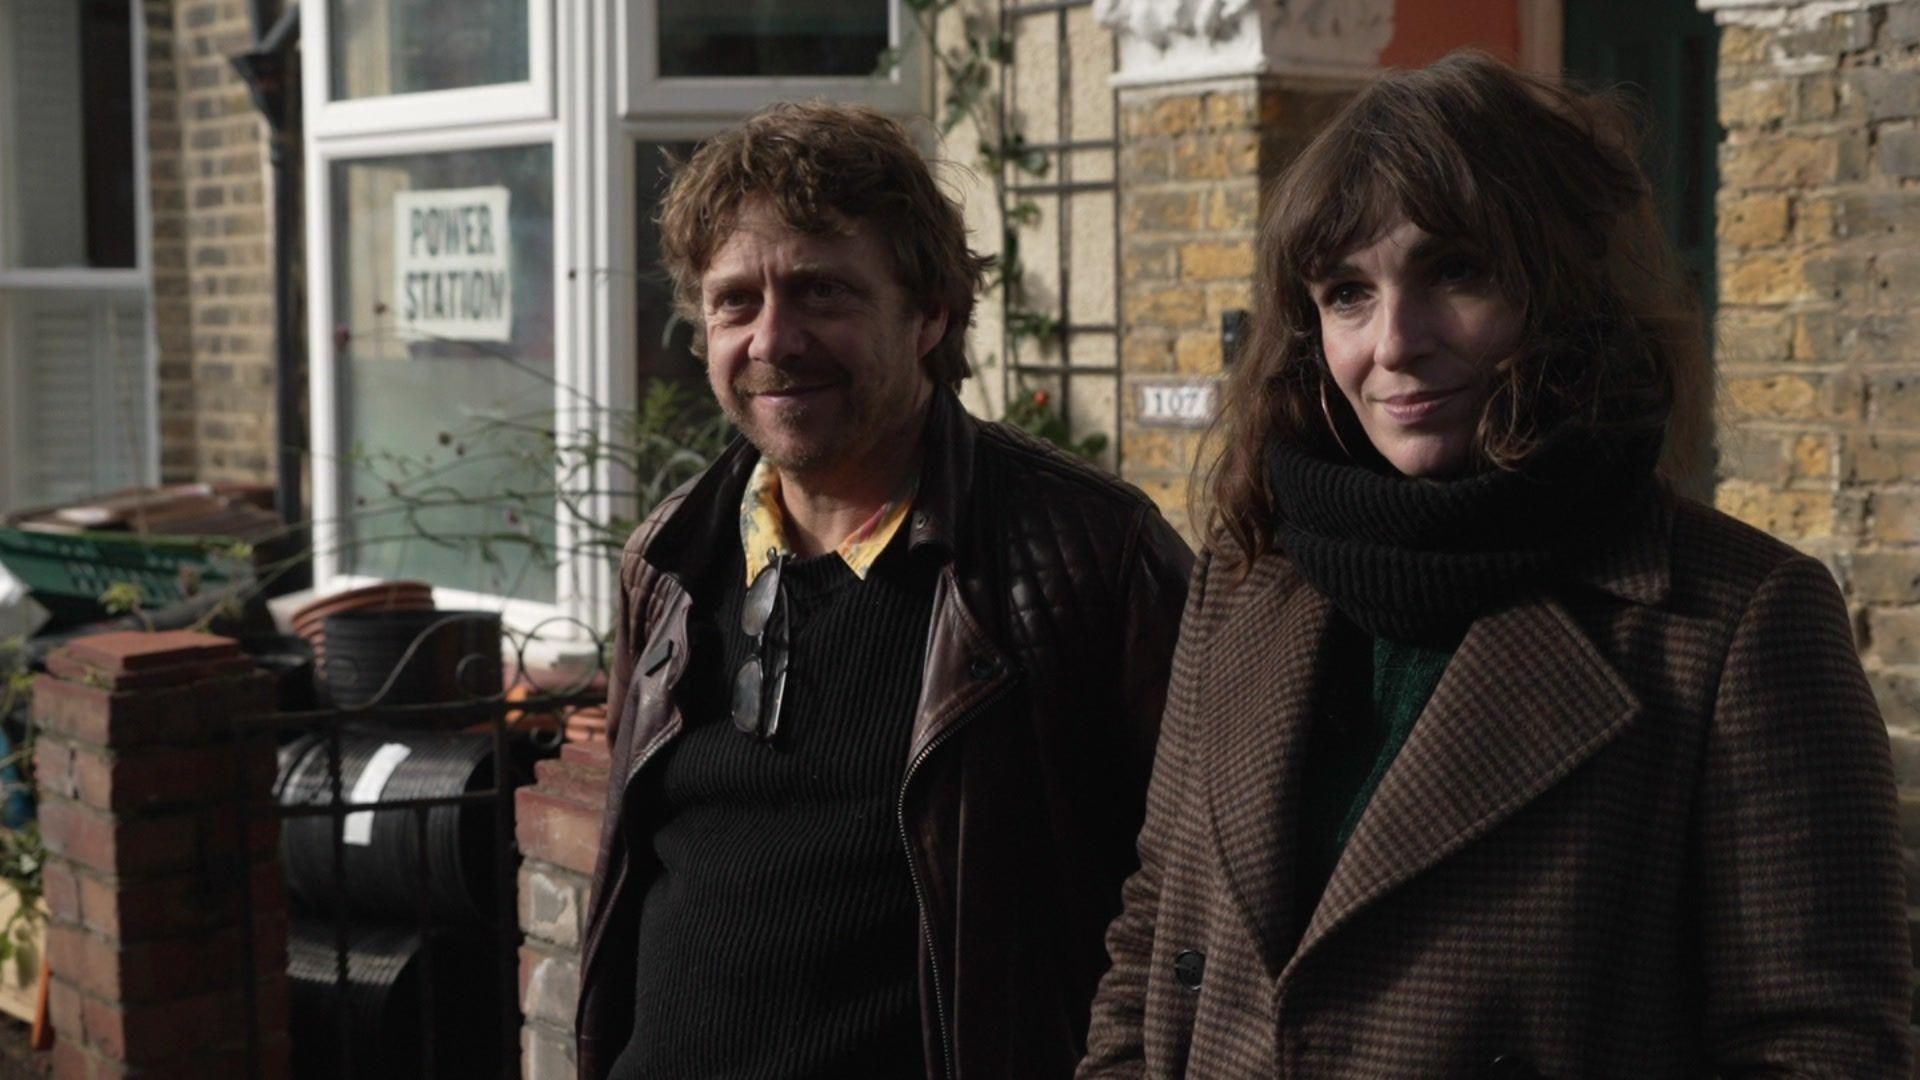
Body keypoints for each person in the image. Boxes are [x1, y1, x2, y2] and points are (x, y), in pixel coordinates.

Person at [1079, 52, 1912, 1077]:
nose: (1394, 343)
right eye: (1347, 292)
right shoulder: (1251, 575)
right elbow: (1157, 926)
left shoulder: (1735, 619)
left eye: (1456, 273)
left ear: (1567, 289)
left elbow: (1817, 1042)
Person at [575, 102, 1194, 1080]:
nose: (773, 340)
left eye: (821, 292)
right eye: (735, 302)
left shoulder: (1085, 558)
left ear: (930, 314)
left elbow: (1192, 901)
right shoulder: (671, 560)